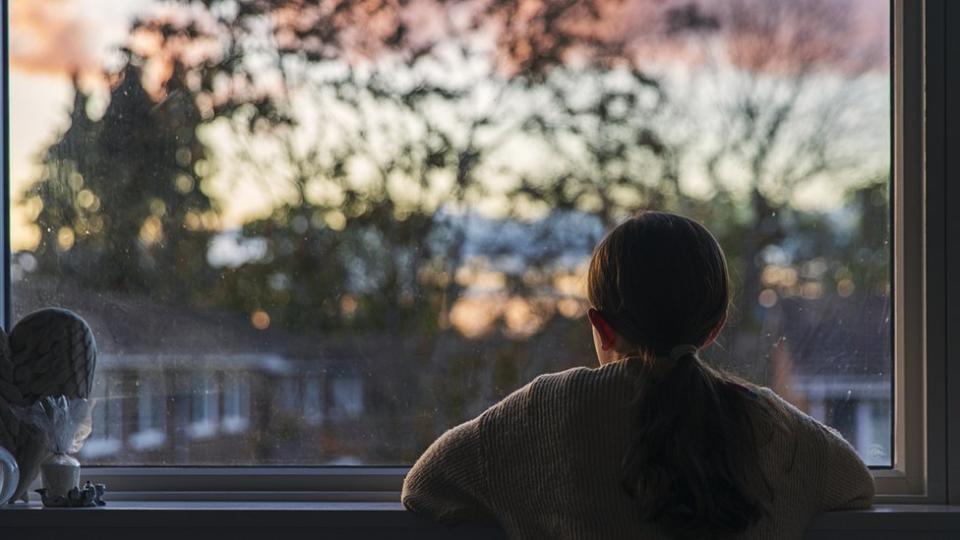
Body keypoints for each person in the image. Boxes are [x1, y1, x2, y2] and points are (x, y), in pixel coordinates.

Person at [402, 211, 874, 539]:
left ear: (600, 326)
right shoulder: (771, 423)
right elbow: (855, 484)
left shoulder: (548, 410)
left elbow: (424, 486)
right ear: (714, 328)